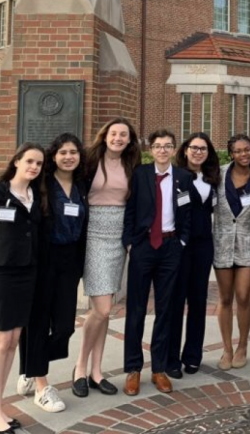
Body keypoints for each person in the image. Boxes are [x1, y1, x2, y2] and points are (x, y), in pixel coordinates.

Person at [0, 134, 89, 414]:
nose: (68, 157)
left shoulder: (70, 187)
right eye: (62, 152)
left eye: (74, 152)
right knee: (23, 331)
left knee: (63, 327)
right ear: (17, 162)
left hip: (61, 265)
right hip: (32, 266)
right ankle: (37, 383)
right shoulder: (36, 186)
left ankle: (28, 368)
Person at [0, 143, 45, 434]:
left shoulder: (37, 196)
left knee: (14, 342)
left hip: (29, 274)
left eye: (39, 163)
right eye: (29, 161)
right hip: (1, 274)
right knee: (0, 343)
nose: (34, 167)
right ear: (16, 161)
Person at [122, 129, 197, 396]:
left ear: (174, 149)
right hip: (143, 247)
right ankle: (133, 368)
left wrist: (182, 242)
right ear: (150, 150)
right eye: (158, 146)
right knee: (136, 309)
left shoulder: (184, 177)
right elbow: (129, 211)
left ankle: (159, 369)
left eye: (167, 145)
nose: (163, 150)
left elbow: (188, 214)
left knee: (166, 310)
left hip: (170, 247)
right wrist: (130, 242)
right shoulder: (140, 175)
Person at [73, 117, 140, 399]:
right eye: (114, 133)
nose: (118, 138)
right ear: (105, 135)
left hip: (119, 236)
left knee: (107, 309)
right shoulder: (89, 160)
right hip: (93, 233)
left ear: (129, 139)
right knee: (100, 310)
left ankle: (97, 372)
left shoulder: (132, 165)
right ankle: (79, 368)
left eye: (123, 134)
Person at [167, 132, 221, 378]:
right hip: (180, 246)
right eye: (194, 148)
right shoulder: (176, 176)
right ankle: (171, 358)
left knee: (198, 302)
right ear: (185, 150)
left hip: (203, 246)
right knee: (176, 302)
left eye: (203, 149)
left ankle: (192, 356)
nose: (198, 152)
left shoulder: (212, 178)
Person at [213, 134, 250, 370]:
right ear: (231, 154)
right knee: (225, 298)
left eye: (248, 149)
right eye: (238, 151)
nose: (244, 154)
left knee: (243, 296)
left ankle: (243, 345)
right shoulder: (218, 175)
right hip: (222, 244)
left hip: (248, 245)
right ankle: (227, 349)